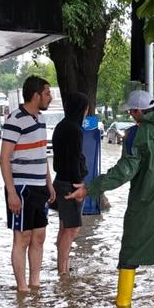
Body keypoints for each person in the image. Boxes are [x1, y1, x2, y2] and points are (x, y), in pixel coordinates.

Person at [66, 90, 154, 308]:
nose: (130, 114)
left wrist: (89, 188)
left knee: (130, 254)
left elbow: (124, 171)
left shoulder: (136, 134)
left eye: (131, 111)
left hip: (147, 204)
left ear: (139, 111)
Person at [0, 76, 56, 292]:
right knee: (22, 238)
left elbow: (42, 155)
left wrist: (48, 183)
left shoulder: (40, 119)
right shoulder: (15, 119)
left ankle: (35, 285)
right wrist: (12, 193)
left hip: (40, 186)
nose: (50, 98)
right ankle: (22, 289)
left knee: (39, 237)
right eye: (47, 93)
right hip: (21, 188)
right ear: (36, 95)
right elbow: (4, 159)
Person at [51, 92, 90, 276]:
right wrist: (79, 185)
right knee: (72, 229)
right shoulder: (74, 130)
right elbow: (74, 159)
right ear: (81, 109)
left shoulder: (61, 126)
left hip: (60, 180)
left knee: (64, 227)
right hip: (70, 184)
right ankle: (63, 270)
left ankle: (63, 267)